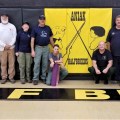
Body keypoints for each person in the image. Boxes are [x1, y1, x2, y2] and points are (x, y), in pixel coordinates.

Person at [31, 15, 54, 85]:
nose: (42, 20)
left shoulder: (48, 28)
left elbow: (51, 38)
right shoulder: (35, 28)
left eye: (43, 19)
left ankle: (43, 77)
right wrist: (32, 50)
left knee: (45, 63)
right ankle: (35, 78)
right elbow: (32, 40)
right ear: (39, 20)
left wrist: (54, 46)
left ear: (45, 20)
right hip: (38, 47)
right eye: (41, 19)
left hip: (46, 47)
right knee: (37, 63)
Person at [0, 14, 17, 84]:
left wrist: (10, 45)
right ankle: (4, 77)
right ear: (1, 17)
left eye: (5, 16)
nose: (4, 18)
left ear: (7, 17)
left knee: (11, 63)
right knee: (3, 63)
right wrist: (4, 45)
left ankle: (11, 77)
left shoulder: (12, 26)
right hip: (2, 48)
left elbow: (14, 36)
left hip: (11, 48)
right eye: (3, 16)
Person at [107, 15, 120, 82]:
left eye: (119, 20)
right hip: (114, 53)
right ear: (115, 21)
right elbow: (108, 42)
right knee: (115, 67)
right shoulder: (112, 30)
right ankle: (116, 79)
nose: (119, 21)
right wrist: (109, 51)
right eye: (117, 20)